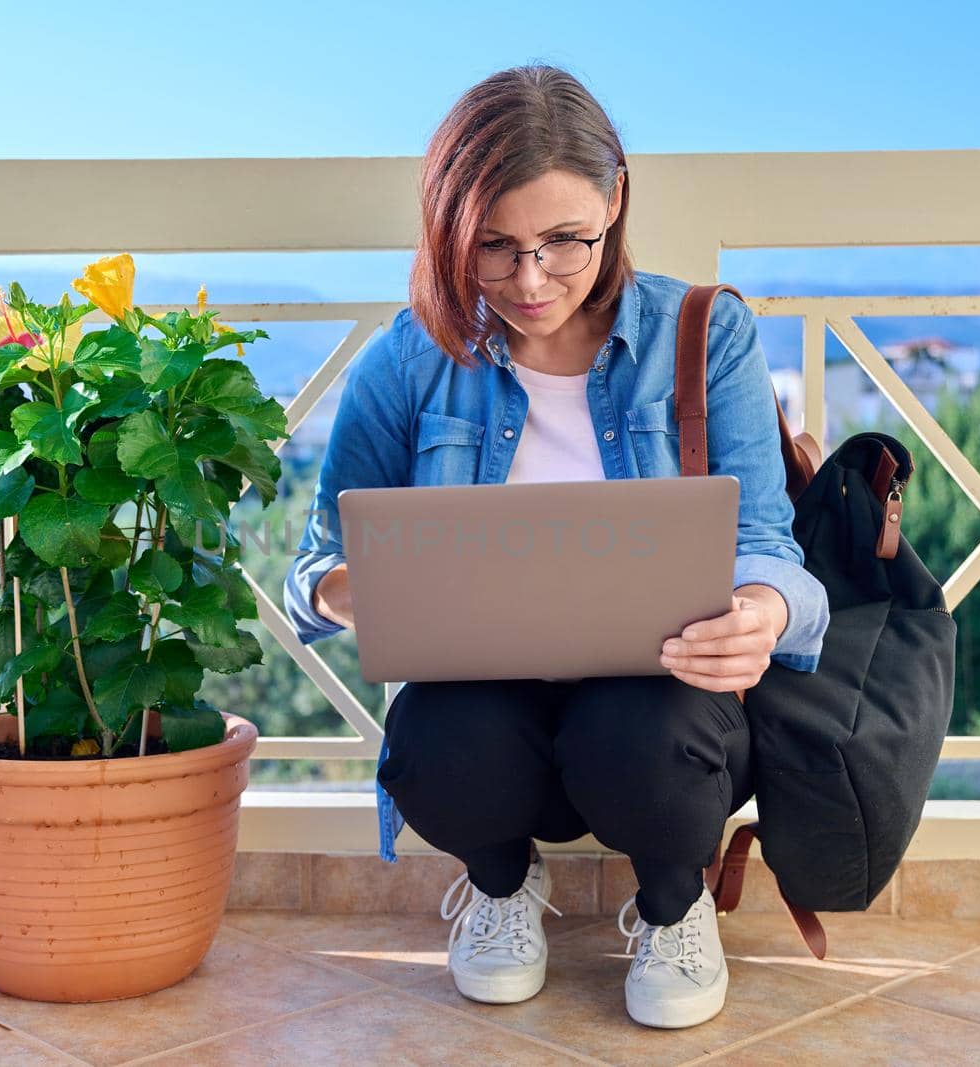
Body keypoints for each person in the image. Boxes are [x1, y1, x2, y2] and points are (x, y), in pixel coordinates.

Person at [281, 64, 828, 1030]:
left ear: (615, 202)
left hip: (660, 696)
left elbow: (768, 547)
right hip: (483, 696)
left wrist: (765, 610)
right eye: (492, 247)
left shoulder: (706, 333)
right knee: (435, 746)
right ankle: (498, 887)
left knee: (646, 736)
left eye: (564, 241)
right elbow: (313, 561)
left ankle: (674, 902)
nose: (530, 282)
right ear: (449, 229)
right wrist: (345, 591)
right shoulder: (408, 357)